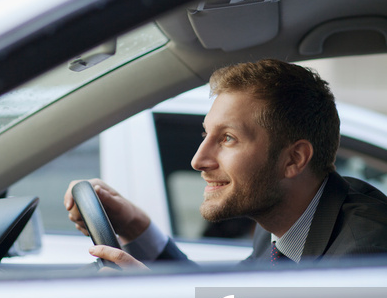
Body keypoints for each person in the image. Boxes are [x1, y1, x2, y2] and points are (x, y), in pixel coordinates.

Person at [64, 59, 387, 269]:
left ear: (294, 159)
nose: (198, 160)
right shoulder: (281, 221)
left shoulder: (365, 253)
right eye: (206, 135)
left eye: (228, 138)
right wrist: (136, 226)